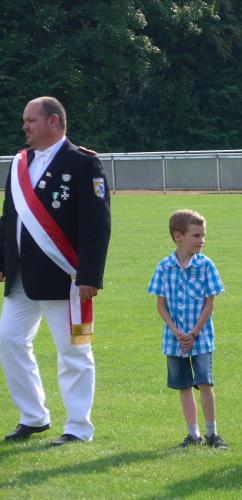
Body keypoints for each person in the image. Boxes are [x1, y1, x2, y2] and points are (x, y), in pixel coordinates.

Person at [0, 96, 111, 446]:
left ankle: (78, 427)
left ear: (53, 121)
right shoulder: (20, 163)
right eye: (24, 121)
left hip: (65, 277)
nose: (24, 126)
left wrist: (90, 275)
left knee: (73, 352)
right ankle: (33, 417)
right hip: (21, 276)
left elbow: (96, 224)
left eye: (30, 120)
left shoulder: (83, 163)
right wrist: (2, 261)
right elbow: (9, 218)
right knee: (9, 340)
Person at [148, 209, 228, 449]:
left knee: (205, 383)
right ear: (178, 236)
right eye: (196, 235)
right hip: (174, 340)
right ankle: (193, 435)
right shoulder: (164, 267)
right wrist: (176, 331)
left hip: (201, 338)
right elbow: (160, 305)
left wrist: (193, 333)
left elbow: (209, 304)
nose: (202, 240)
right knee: (183, 385)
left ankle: (212, 434)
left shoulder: (206, 266)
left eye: (203, 235)